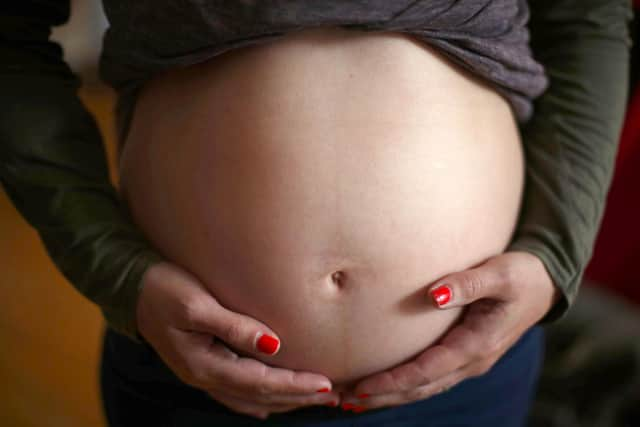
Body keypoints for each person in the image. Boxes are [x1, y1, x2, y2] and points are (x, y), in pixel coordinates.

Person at [0, 1, 631, 426]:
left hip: (461, 377)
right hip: (189, 368)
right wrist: (110, 267)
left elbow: (587, 16)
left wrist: (556, 252)